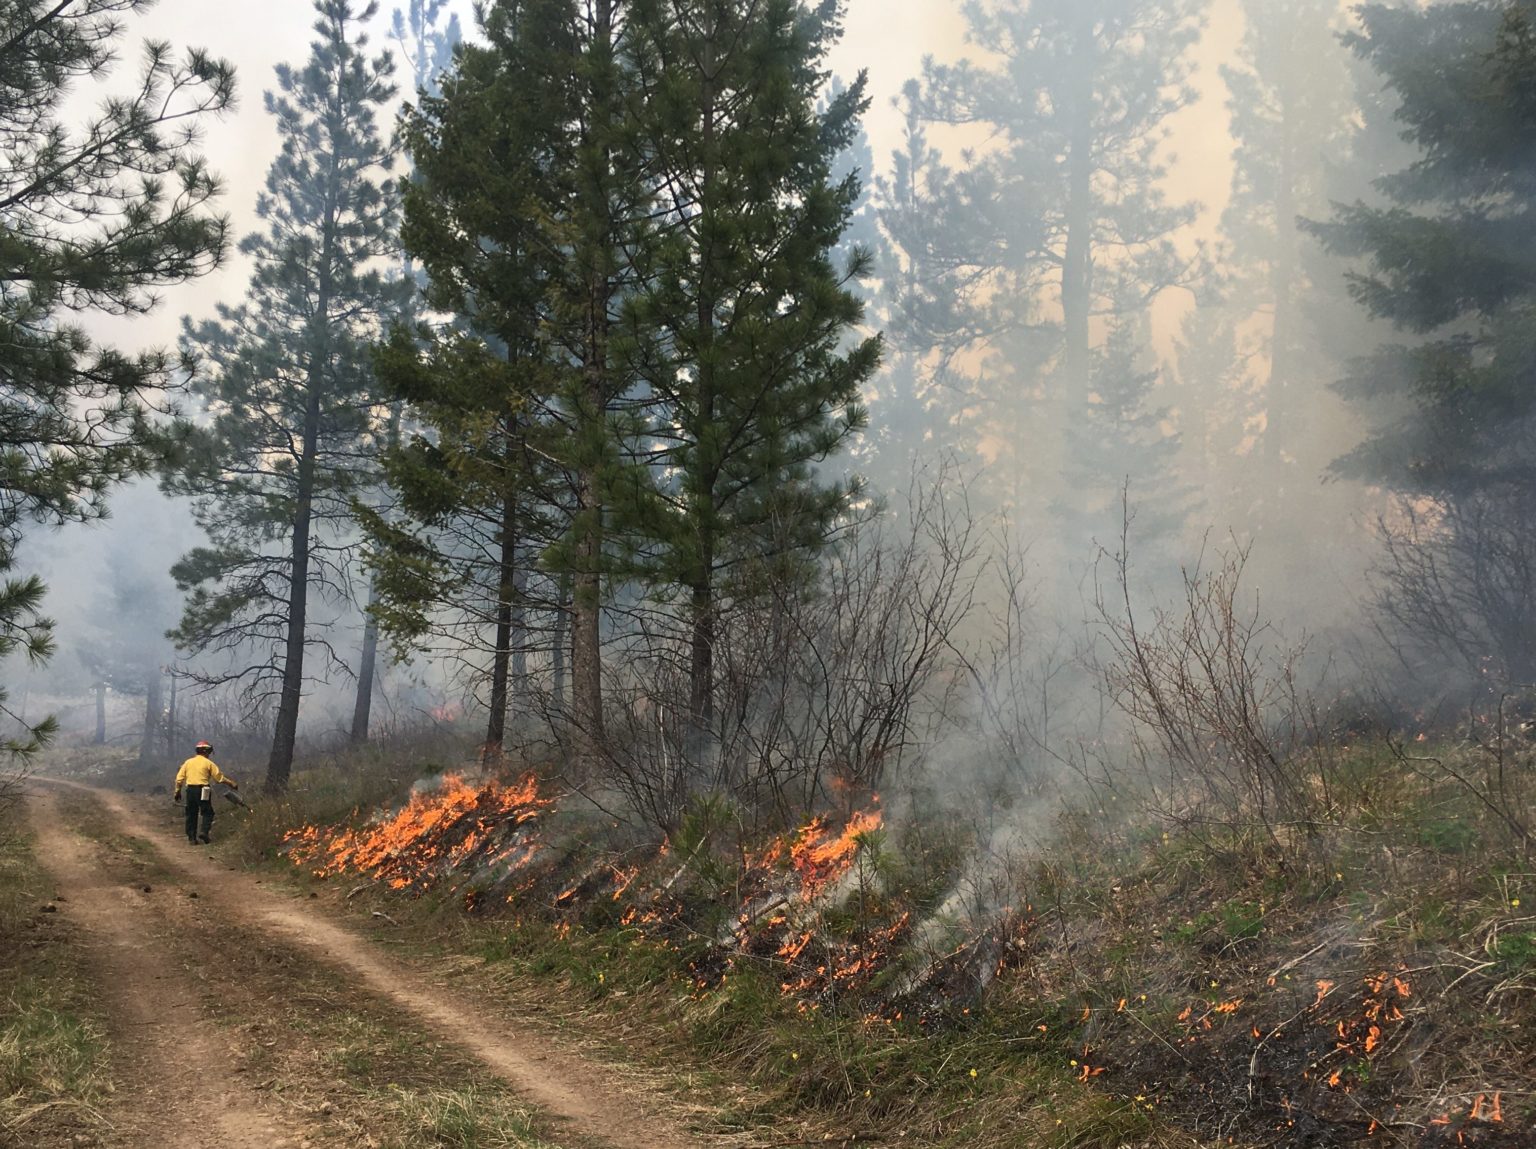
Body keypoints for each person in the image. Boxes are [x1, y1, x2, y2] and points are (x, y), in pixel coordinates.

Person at [173, 740, 238, 845]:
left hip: (190, 790)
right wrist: (231, 783)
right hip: (204, 790)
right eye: (208, 751)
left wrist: (177, 792)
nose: (209, 754)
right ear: (205, 751)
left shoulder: (188, 762)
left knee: (191, 813)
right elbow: (219, 778)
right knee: (207, 812)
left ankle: (192, 838)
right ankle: (204, 832)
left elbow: (179, 779)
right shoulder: (209, 763)